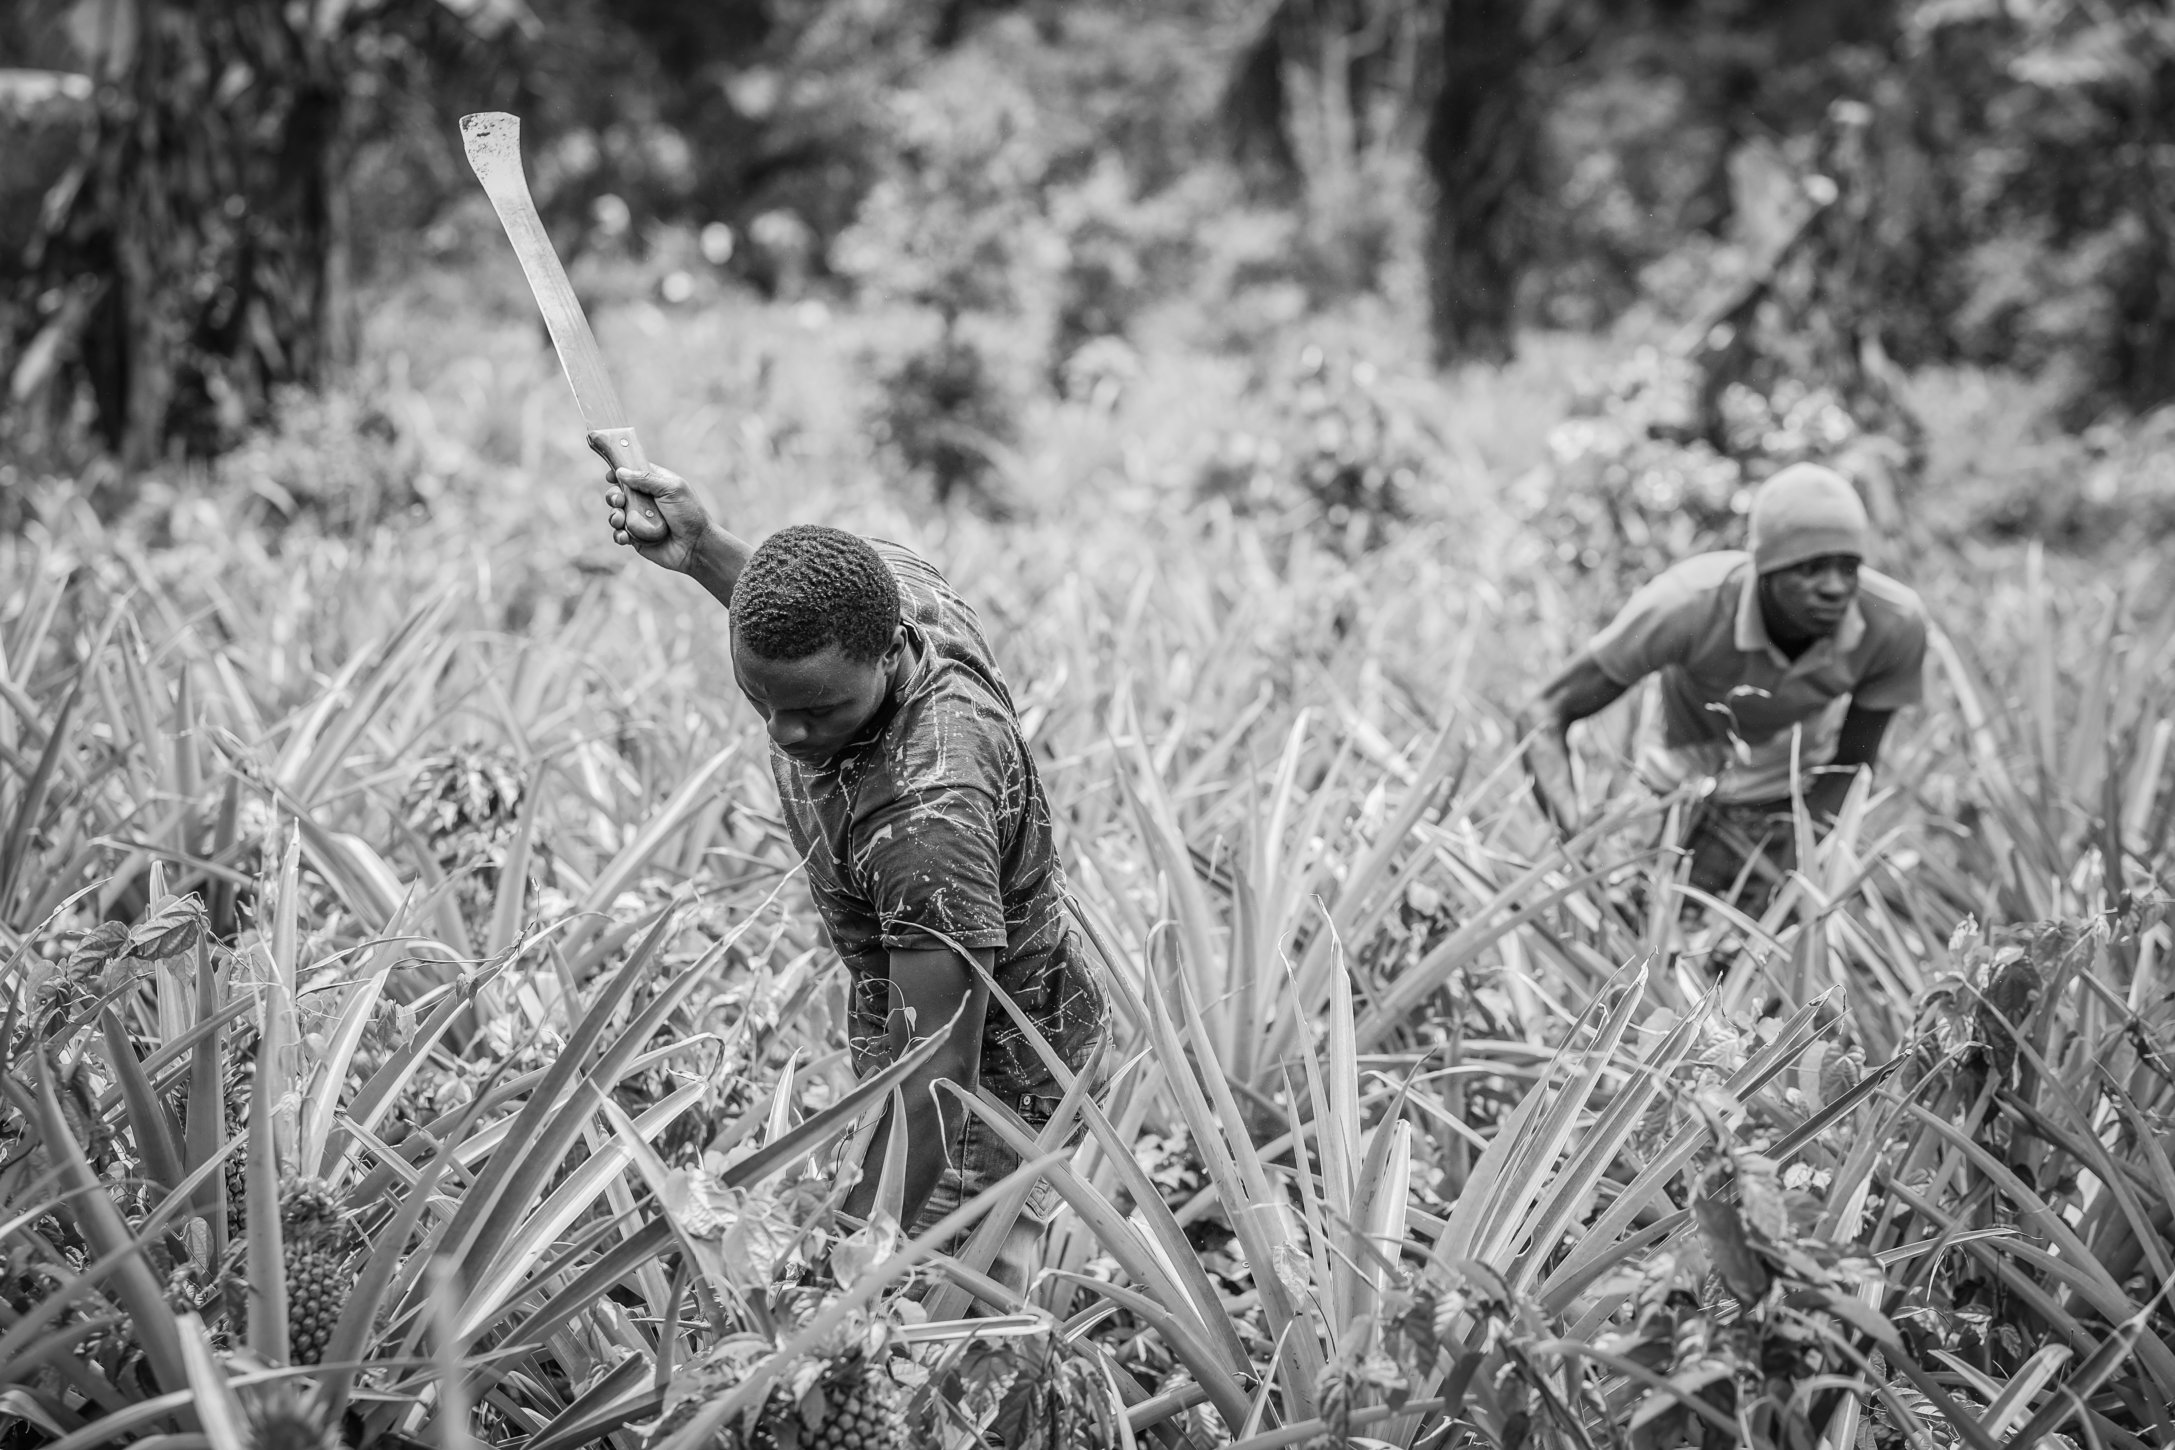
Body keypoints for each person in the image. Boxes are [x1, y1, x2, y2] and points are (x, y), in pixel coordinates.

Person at [597, 445, 1106, 1295]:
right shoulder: (891, 592)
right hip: (951, 1016)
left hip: (987, 1101)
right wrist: (704, 550)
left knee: (940, 1337)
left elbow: (937, 1082)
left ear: (885, 654)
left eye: (819, 711)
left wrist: (837, 1272)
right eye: (763, 700)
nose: (786, 734)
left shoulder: (924, 820)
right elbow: (794, 620)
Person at [1517, 463, 1929, 912]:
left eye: (1848, 567)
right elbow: (1544, 710)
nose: (1834, 588)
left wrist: (1791, 867)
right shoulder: (1688, 604)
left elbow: (1852, 765)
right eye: (1809, 568)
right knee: (1627, 916)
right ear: (1764, 566)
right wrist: (1578, 843)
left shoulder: (1892, 622)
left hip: (1793, 785)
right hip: (1675, 775)